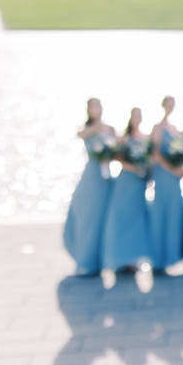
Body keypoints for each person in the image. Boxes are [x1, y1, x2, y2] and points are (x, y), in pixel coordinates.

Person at [64, 98, 115, 276]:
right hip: (92, 177)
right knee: (88, 218)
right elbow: (81, 135)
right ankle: (85, 261)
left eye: (99, 105)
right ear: (88, 110)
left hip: (107, 178)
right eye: (93, 106)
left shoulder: (110, 129)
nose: (97, 109)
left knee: (106, 220)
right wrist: (99, 127)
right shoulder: (87, 129)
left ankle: (105, 260)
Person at [102, 108, 153, 272]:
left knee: (137, 220)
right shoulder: (124, 139)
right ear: (130, 118)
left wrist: (146, 172)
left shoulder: (145, 139)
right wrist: (134, 166)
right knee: (121, 218)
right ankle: (118, 258)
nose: (137, 118)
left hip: (139, 184)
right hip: (126, 181)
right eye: (135, 116)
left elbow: (150, 159)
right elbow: (117, 157)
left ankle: (134, 258)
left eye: (140, 115)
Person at [149, 96, 183, 273]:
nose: (170, 107)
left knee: (174, 212)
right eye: (168, 103)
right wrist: (174, 169)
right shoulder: (158, 127)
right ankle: (158, 259)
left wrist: (181, 168)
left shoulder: (174, 128)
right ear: (163, 105)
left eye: (173, 104)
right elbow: (155, 154)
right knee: (161, 211)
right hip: (164, 175)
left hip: (175, 177)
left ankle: (171, 257)